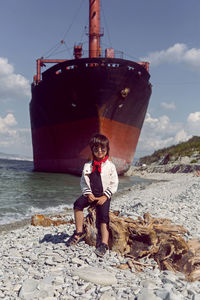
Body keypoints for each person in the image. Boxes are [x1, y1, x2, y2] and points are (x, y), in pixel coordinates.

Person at [66, 134, 119, 257]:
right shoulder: (87, 166)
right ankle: (78, 232)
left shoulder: (111, 166)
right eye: (96, 149)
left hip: (103, 195)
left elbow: (114, 183)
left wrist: (105, 196)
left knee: (103, 216)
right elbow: (83, 182)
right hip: (91, 194)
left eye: (102, 149)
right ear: (92, 150)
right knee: (77, 204)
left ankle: (104, 243)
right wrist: (88, 193)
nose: (99, 151)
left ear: (107, 150)